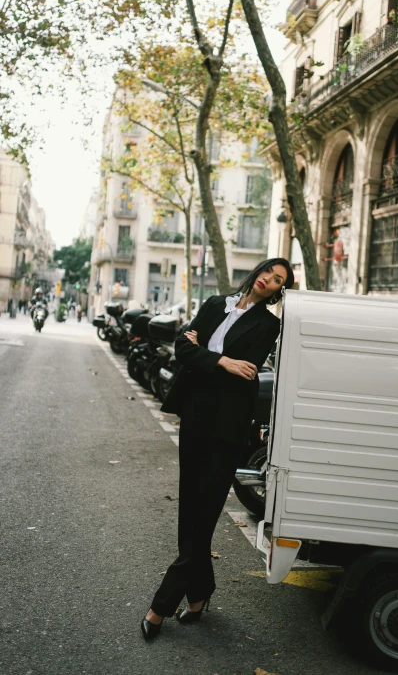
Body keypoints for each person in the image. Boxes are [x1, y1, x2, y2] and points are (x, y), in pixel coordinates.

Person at [141, 258, 294, 640]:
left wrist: (206, 356)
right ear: (258, 271)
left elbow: (245, 373)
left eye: (278, 281)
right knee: (190, 507)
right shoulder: (214, 305)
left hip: (227, 428)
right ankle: (200, 594)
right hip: (195, 417)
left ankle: (162, 604)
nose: (269, 280)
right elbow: (181, 347)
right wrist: (222, 361)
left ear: (278, 290)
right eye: (268, 272)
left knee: (205, 512)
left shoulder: (268, 325)